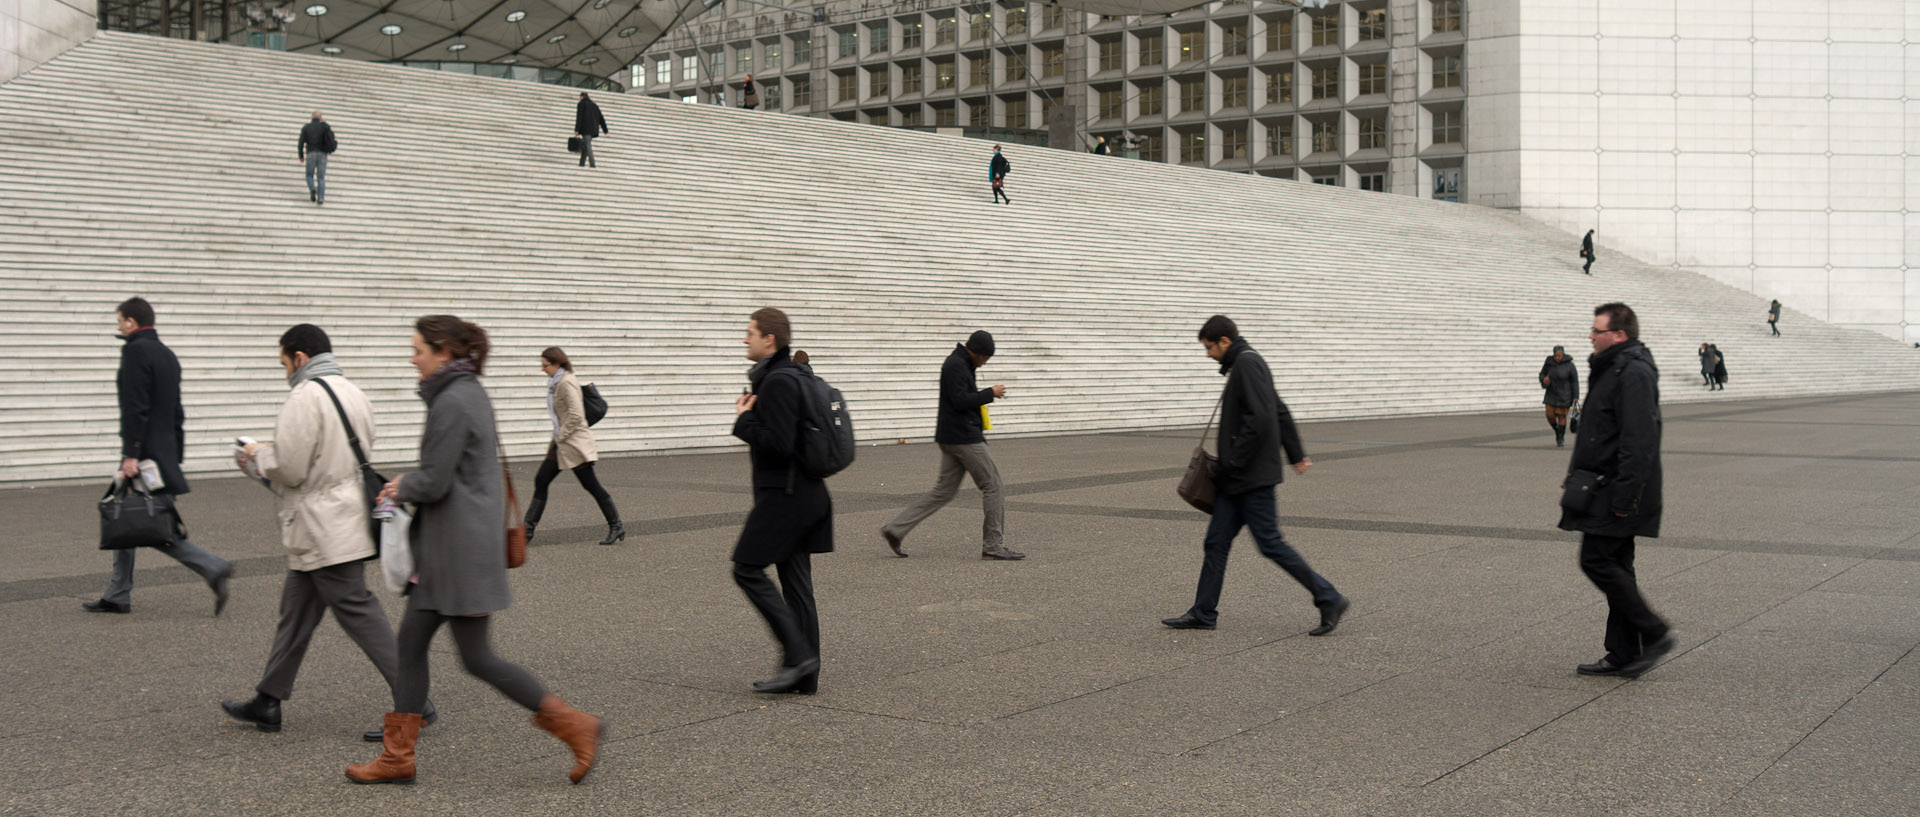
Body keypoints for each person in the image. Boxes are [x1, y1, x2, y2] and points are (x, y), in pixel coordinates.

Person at [348, 316, 604, 786]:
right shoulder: (466, 393)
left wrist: (401, 485)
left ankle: (576, 725)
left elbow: (437, 479)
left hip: (453, 554)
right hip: (458, 551)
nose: (412, 357)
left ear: (444, 352)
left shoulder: (453, 400)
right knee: (429, 649)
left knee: (469, 657)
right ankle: (398, 757)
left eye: (418, 349)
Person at [221, 324, 437, 741]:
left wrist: (256, 453)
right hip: (343, 518)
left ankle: (416, 702)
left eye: (284, 362)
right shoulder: (352, 391)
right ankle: (268, 700)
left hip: (321, 525)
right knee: (296, 614)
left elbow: (290, 467)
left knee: (359, 611)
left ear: (299, 357)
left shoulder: (303, 397)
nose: (284, 371)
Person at [1163, 315, 1349, 635]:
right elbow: (1279, 409)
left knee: (1271, 544)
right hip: (1235, 480)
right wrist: (1295, 453)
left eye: (1209, 348)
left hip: (1249, 479)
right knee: (1216, 542)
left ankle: (1328, 596)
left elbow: (1262, 418)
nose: (1208, 355)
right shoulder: (1247, 364)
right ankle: (1203, 612)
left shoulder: (1247, 365)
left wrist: (1232, 462)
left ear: (1225, 342)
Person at [84, 297, 233, 616]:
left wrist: (131, 454)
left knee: (149, 525)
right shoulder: (167, 354)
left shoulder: (136, 351)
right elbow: (177, 413)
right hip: (162, 454)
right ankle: (118, 593)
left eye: (120, 320)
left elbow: (135, 407)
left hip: (144, 456)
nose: (118, 326)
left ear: (131, 322)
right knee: (126, 514)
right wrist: (175, 455)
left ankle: (213, 566)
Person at [1562, 302, 1673, 678]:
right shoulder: (1613, 368)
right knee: (1618, 566)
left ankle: (1654, 632)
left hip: (1618, 489)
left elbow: (1639, 440)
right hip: (1606, 485)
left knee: (1596, 561)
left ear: (1619, 335)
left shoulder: (1633, 372)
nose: (1590, 336)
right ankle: (1624, 653)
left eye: (1597, 330)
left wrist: (1627, 497)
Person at [730, 307, 833, 695]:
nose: (745, 339)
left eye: (750, 332)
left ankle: (799, 655)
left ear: (768, 339)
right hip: (805, 494)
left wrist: (744, 419)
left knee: (746, 569)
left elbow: (780, 443)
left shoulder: (778, 381)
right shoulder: (789, 376)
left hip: (786, 497)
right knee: (796, 584)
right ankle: (805, 675)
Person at [881, 331, 1022, 561]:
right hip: (963, 437)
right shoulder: (956, 365)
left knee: (942, 492)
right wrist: (989, 393)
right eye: (985, 357)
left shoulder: (961, 363)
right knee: (993, 486)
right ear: (975, 351)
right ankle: (993, 545)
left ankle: (895, 529)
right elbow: (960, 401)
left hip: (952, 436)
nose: (985, 362)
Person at [525, 347, 624, 547]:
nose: (542, 369)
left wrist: (561, 434)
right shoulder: (556, 383)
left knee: (591, 485)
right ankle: (526, 531)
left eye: (545, 365)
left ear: (557, 363)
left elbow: (577, 415)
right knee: (541, 480)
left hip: (573, 443)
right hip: (561, 443)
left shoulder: (566, 382)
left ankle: (616, 525)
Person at [1539, 345, 1579, 447]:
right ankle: (1557, 430)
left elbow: (1574, 382)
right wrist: (1544, 379)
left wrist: (1575, 396)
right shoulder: (1549, 363)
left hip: (1564, 395)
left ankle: (1560, 437)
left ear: (1563, 354)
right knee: (1549, 415)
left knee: (1562, 416)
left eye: (1559, 356)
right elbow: (1542, 374)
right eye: (1555, 356)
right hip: (1551, 394)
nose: (1557, 358)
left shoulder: (1570, 365)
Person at [298, 111, 337, 205]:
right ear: (320, 117)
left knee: (309, 175)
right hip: (323, 154)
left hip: (311, 153)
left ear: (311, 117)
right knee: (321, 177)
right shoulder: (325, 126)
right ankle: (321, 198)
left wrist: (301, 155)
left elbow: (301, 142)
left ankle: (312, 189)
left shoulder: (306, 127)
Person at [574, 92, 608, 169]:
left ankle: (592, 164)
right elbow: (601, 118)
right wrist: (605, 130)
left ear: (582, 97)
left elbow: (579, 117)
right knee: (586, 145)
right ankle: (581, 163)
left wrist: (577, 129)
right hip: (593, 129)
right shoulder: (594, 105)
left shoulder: (581, 104)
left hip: (585, 128)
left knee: (588, 145)